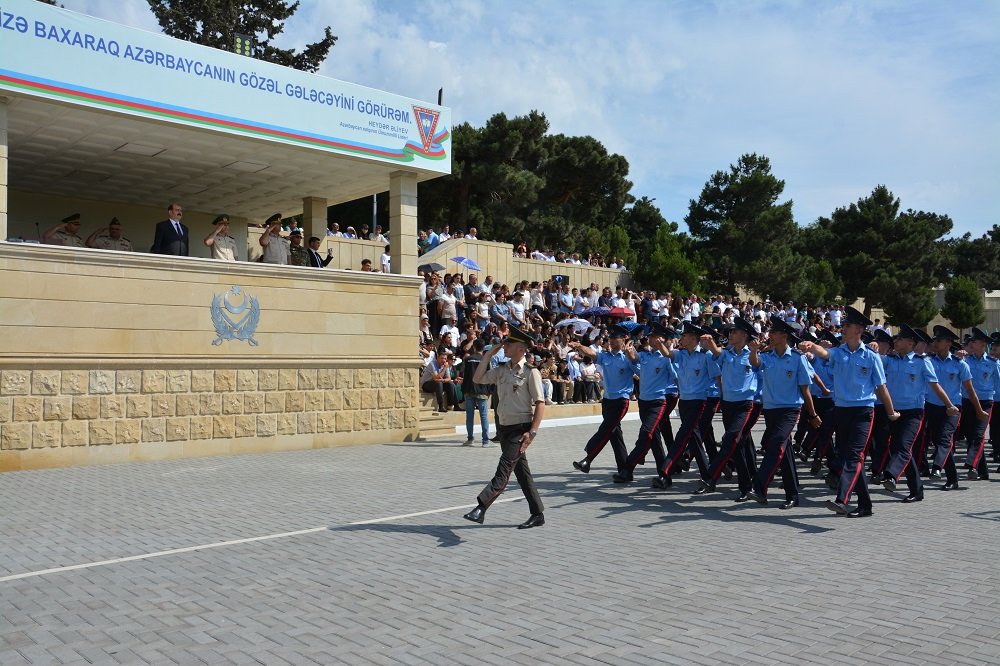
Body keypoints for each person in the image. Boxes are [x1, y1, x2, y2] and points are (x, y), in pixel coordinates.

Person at [804, 306, 900, 518]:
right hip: (842, 411)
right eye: (843, 325)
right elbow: (825, 353)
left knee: (854, 457)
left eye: (847, 325)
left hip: (863, 412)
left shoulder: (871, 356)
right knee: (850, 458)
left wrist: (891, 411)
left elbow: (881, 387)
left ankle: (842, 499)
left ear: (859, 329)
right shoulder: (839, 353)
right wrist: (813, 345)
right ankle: (865, 505)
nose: (843, 328)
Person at [463, 325, 546, 529]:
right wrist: (488, 355)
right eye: (505, 342)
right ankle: (538, 514)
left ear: (521, 348)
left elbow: (540, 403)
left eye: (509, 343)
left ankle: (481, 507)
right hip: (504, 427)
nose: (505, 346)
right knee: (522, 474)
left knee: (504, 467)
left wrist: (532, 432)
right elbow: (477, 378)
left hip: (520, 429)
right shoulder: (501, 369)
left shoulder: (530, 372)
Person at [879, 323, 957, 503]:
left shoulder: (922, 362)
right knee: (900, 449)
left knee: (903, 447)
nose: (895, 341)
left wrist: (949, 405)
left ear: (909, 342)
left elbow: (935, 385)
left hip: (913, 413)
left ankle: (891, 475)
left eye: (899, 339)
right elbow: (873, 361)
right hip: (893, 412)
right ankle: (917, 489)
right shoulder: (889, 360)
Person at [745, 317, 817, 509]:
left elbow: (805, 390)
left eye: (774, 333)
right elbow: (755, 363)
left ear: (784, 336)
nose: (770, 335)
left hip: (790, 410)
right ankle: (793, 494)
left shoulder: (797, 358)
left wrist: (812, 414)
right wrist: (753, 350)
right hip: (771, 410)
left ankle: (759, 486)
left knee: (775, 443)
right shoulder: (767, 356)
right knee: (784, 452)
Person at [695, 316, 760, 500]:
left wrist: (755, 351)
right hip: (728, 404)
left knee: (730, 437)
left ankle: (710, 476)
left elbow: (756, 364)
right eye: (730, 331)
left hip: (744, 404)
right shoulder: (727, 354)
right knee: (737, 446)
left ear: (745, 335)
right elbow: (717, 353)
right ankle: (746, 487)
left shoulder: (752, 354)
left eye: (735, 331)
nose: (731, 334)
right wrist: (709, 343)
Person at [651, 322, 721, 489]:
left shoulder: (706, 356)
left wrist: (723, 398)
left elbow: (718, 378)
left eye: (684, 335)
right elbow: (668, 354)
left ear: (693, 338)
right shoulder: (682, 355)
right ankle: (709, 477)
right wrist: (661, 344)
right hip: (684, 402)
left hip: (699, 402)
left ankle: (665, 471)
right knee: (695, 439)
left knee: (682, 436)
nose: (681, 338)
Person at [613, 323, 678, 484]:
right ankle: (664, 476)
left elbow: (677, 377)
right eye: (649, 336)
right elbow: (635, 359)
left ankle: (628, 467)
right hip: (644, 402)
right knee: (654, 440)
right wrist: (629, 353)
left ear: (661, 339)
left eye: (653, 336)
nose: (649, 339)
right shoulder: (646, 355)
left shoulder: (667, 358)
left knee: (645, 434)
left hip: (658, 403)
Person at [569, 325, 638, 476]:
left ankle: (588, 459)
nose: (612, 342)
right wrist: (580, 345)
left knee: (605, 430)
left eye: (615, 339)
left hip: (621, 401)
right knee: (614, 434)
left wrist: (632, 359)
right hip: (607, 401)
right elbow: (592, 354)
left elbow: (641, 372)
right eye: (610, 339)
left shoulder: (629, 357)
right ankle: (625, 471)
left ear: (624, 340)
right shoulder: (605, 356)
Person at [960, 327, 998, 480]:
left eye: (974, 342)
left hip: (985, 402)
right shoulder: (965, 361)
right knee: (970, 435)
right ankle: (983, 470)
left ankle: (971, 464)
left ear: (983, 344)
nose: (971, 343)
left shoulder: (993, 363)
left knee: (978, 434)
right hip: (967, 401)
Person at [462, 338, 492, 447]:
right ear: (483, 348)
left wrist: (464, 390)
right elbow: (489, 376)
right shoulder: (486, 360)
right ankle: (485, 441)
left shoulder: (468, 359)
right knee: (484, 416)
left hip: (469, 390)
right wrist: (489, 391)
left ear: (474, 347)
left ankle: (470, 439)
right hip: (483, 391)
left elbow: (465, 376)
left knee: (469, 416)